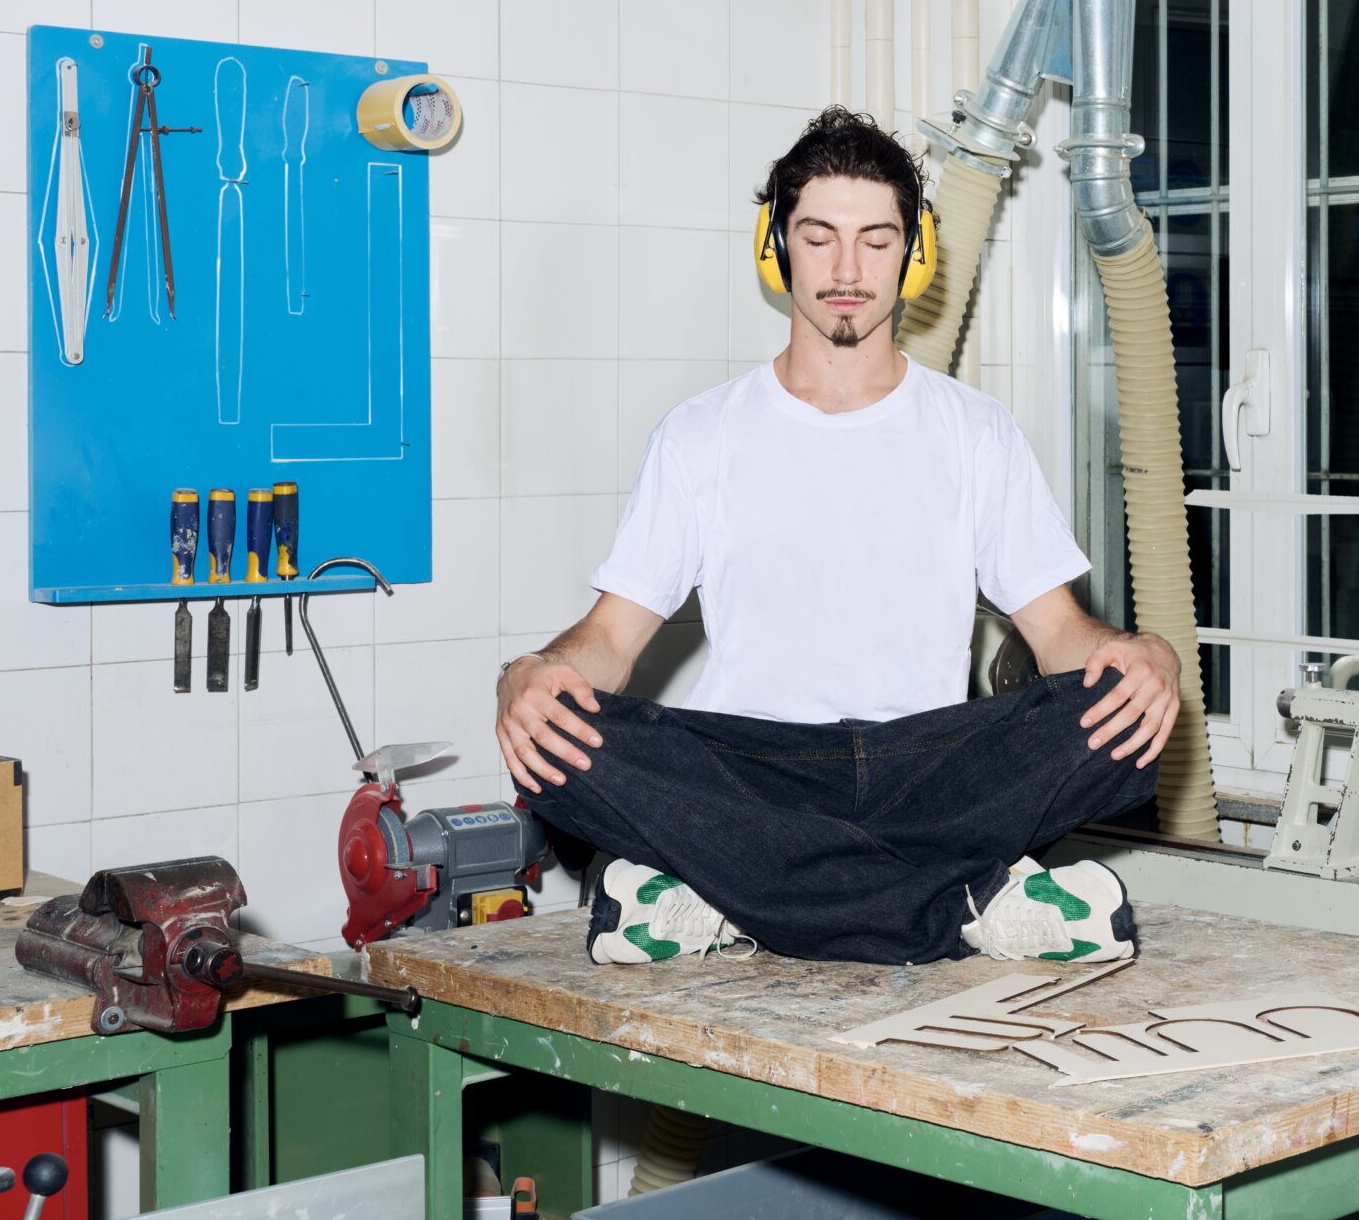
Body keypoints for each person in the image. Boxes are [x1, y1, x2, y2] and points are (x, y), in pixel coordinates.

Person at [492, 106, 1181, 968]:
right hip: (749, 773)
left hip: (928, 768)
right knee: (559, 741)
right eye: (818, 239)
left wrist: (1140, 657)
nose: (847, 270)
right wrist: (530, 675)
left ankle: (718, 894)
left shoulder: (978, 432)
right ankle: (968, 902)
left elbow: (1058, 635)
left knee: (1110, 720)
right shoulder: (700, 435)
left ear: (914, 253)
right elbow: (610, 640)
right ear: (776, 248)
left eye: (876, 240)